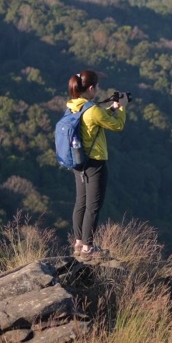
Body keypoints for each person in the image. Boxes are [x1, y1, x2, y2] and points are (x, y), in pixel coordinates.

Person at [67, 69, 127, 258]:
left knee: (81, 203)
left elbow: (92, 119)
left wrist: (112, 108)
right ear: (91, 88)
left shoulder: (72, 105)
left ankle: (78, 243)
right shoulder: (92, 110)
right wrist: (123, 108)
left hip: (78, 161)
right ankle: (88, 248)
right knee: (93, 206)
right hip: (95, 163)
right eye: (97, 87)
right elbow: (117, 126)